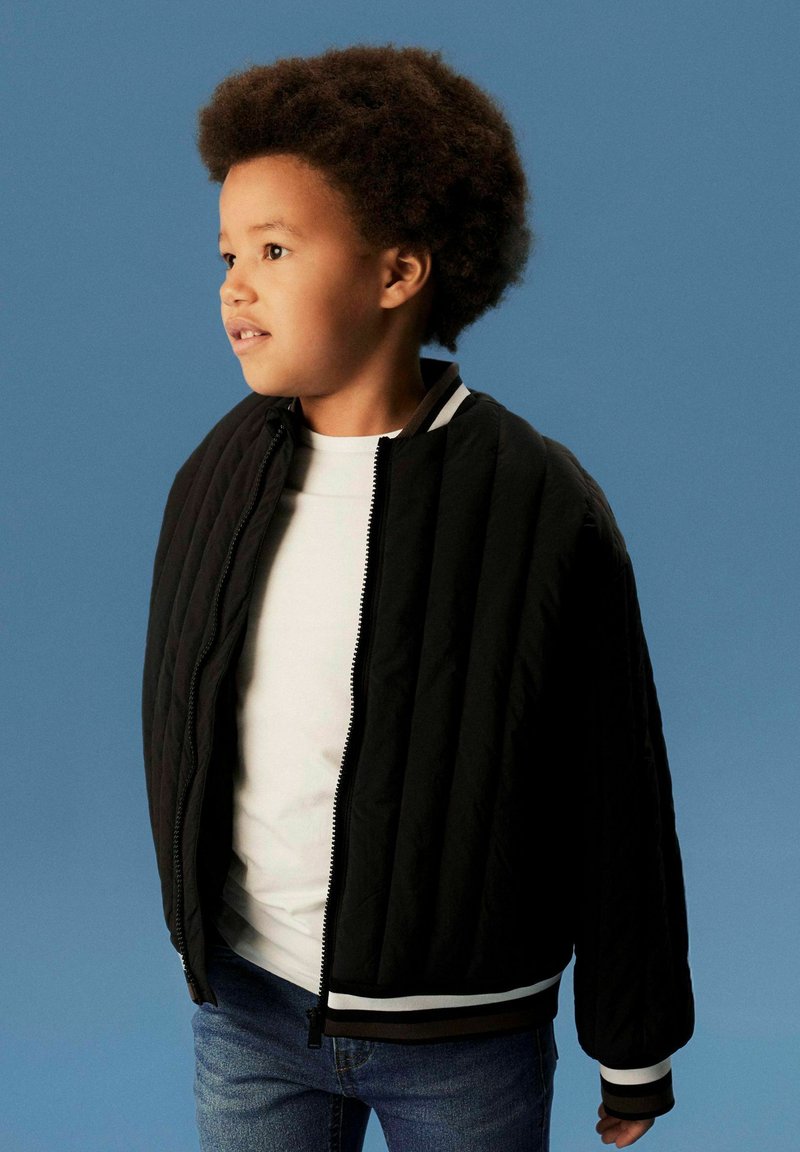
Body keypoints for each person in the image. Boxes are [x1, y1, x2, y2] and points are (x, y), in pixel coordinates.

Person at [141, 43, 694, 1152]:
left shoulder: (538, 504)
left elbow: (615, 788)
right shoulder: (219, 473)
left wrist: (631, 1044)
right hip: (247, 1013)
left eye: (275, 249)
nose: (234, 284)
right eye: (228, 253)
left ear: (397, 274)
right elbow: (186, 717)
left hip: (463, 1038)